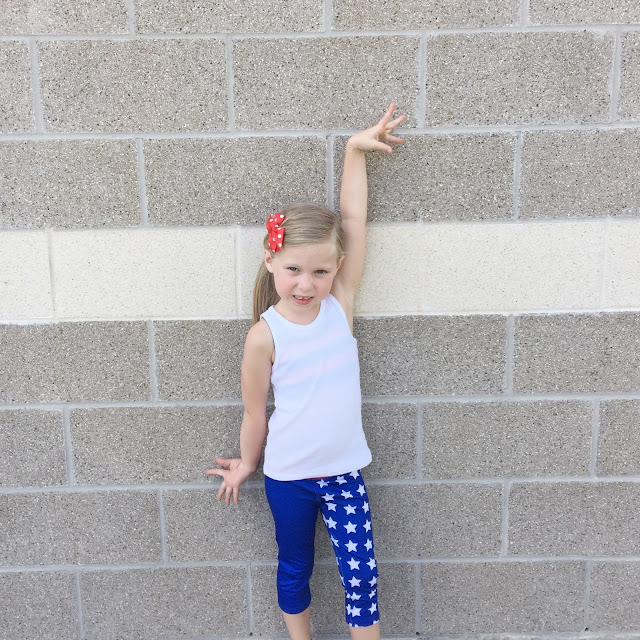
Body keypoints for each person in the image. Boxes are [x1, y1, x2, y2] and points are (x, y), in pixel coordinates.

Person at [204, 103, 406, 640]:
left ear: (336, 267)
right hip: (288, 477)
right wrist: (247, 464)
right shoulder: (264, 335)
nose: (305, 283)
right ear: (271, 261)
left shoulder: (340, 304)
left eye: (319, 270)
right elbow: (255, 413)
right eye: (293, 269)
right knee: (294, 568)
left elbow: (353, 222)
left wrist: (354, 151)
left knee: (361, 576)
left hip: (344, 475)